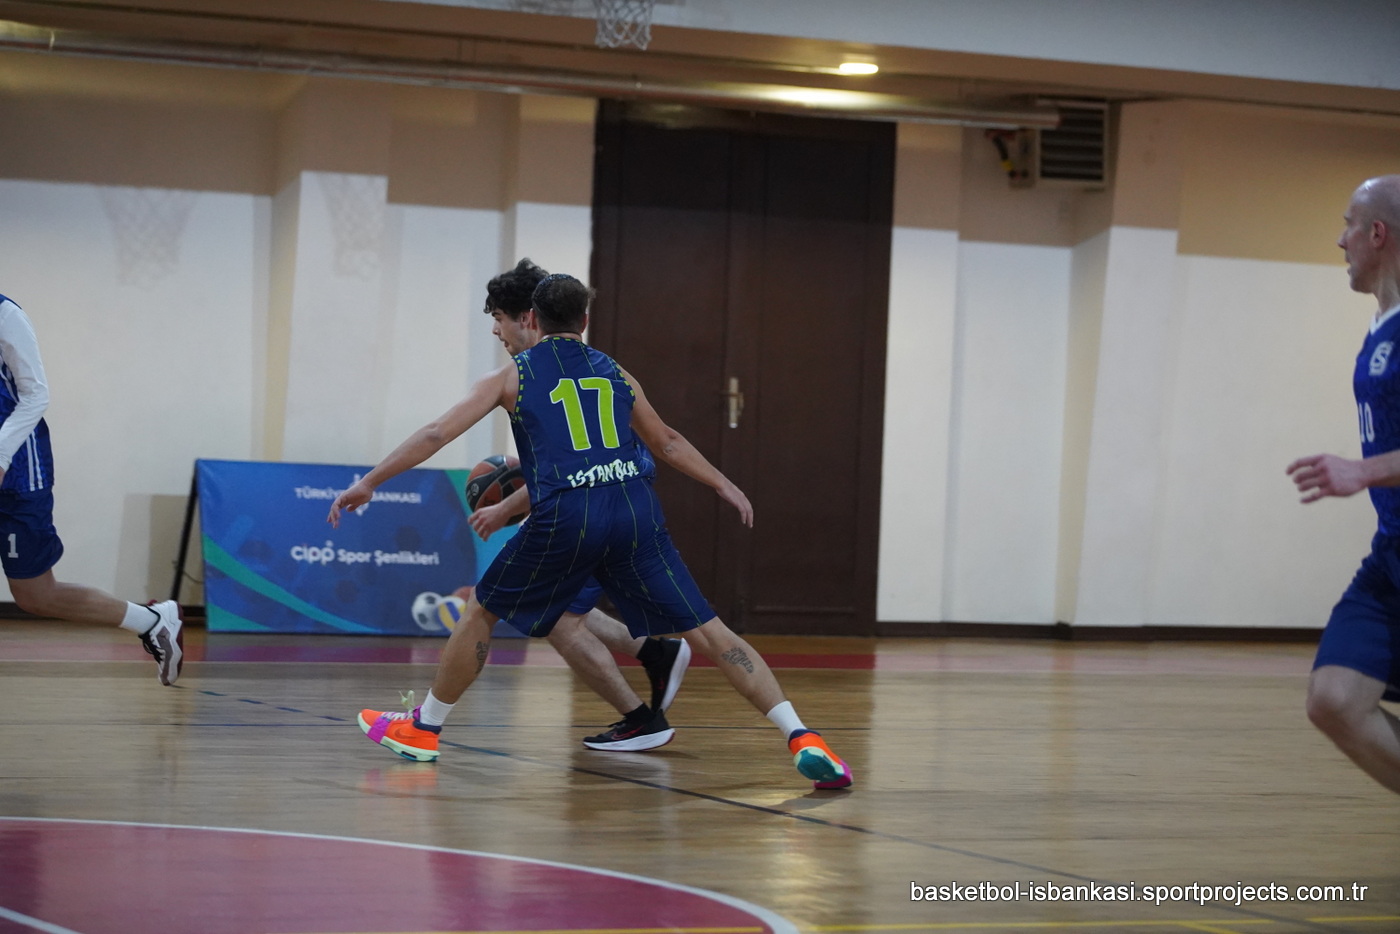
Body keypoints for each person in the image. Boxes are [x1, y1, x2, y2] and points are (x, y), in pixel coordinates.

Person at [332, 272, 852, 789]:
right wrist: (723, 483)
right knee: (712, 633)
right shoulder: (614, 370)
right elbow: (667, 441)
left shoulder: (512, 377)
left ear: (532, 319)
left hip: (568, 517)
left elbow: (435, 433)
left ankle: (424, 728)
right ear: (583, 320)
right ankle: (801, 735)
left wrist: (370, 481)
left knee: (482, 611)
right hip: (634, 512)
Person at [0, 293, 183, 684]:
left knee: (35, 596)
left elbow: (36, 395)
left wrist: (0, 457)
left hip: (18, 473)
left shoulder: (5, 314)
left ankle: (151, 621)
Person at [1287, 174, 1400, 795]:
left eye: (1348, 225)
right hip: (1391, 555)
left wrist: (1364, 470)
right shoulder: (1384, 324)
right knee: (1335, 698)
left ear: (1377, 233)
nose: (1341, 240)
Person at [462, 477, 690, 750]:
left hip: (587, 517)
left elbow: (553, 476)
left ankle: (641, 721)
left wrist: (503, 508)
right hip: (610, 509)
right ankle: (657, 654)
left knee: (559, 622)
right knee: (562, 610)